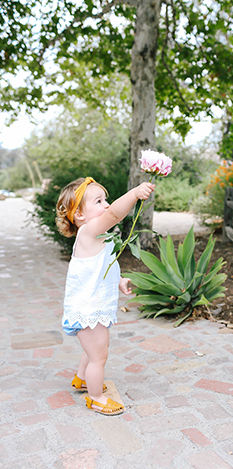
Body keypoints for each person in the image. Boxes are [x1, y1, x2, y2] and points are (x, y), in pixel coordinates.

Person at [56, 176, 155, 415]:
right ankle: (96, 397)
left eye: (106, 199)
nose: (107, 205)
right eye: (99, 201)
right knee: (99, 355)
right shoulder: (89, 230)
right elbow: (114, 216)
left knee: (92, 349)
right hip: (89, 308)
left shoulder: (99, 236)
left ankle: (81, 379)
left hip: (92, 306)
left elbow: (102, 266)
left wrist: (118, 281)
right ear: (79, 215)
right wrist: (133, 194)